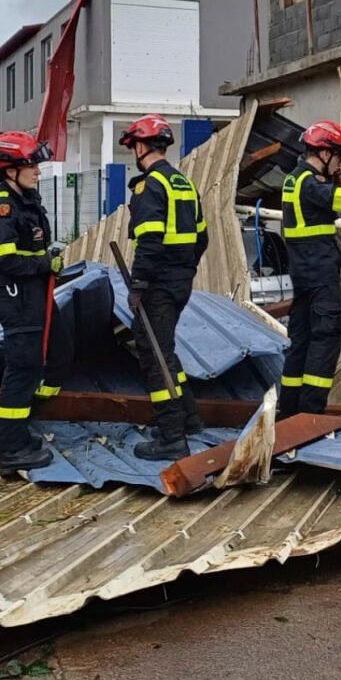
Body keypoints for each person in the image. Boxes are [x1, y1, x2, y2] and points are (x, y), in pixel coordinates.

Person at [0, 130, 71, 476]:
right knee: (22, 371)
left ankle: (27, 424)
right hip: (19, 299)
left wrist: (45, 259)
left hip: (37, 296)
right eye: (31, 165)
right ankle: (11, 449)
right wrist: (44, 264)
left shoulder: (26, 200)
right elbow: (2, 260)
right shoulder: (2, 205)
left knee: (59, 350)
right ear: (10, 169)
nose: (38, 170)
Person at [121, 115, 209, 461]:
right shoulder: (183, 183)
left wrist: (139, 284)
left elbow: (150, 240)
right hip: (180, 281)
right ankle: (189, 419)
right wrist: (184, 269)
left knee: (154, 355)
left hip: (157, 284)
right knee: (166, 350)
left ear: (141, 147)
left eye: (133, 146)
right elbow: (202, 237)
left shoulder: (149, 186)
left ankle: (171, 437)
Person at [278, 121, 341, 418]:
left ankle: (288, 413)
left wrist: (336, 179)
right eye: (339, 156)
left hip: (302, 275)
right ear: (326, 153)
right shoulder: (310, 183)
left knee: (300, 342)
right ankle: (311, 417)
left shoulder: (295, 179)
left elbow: (321, 207)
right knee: (324, 341)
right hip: (320, 274)